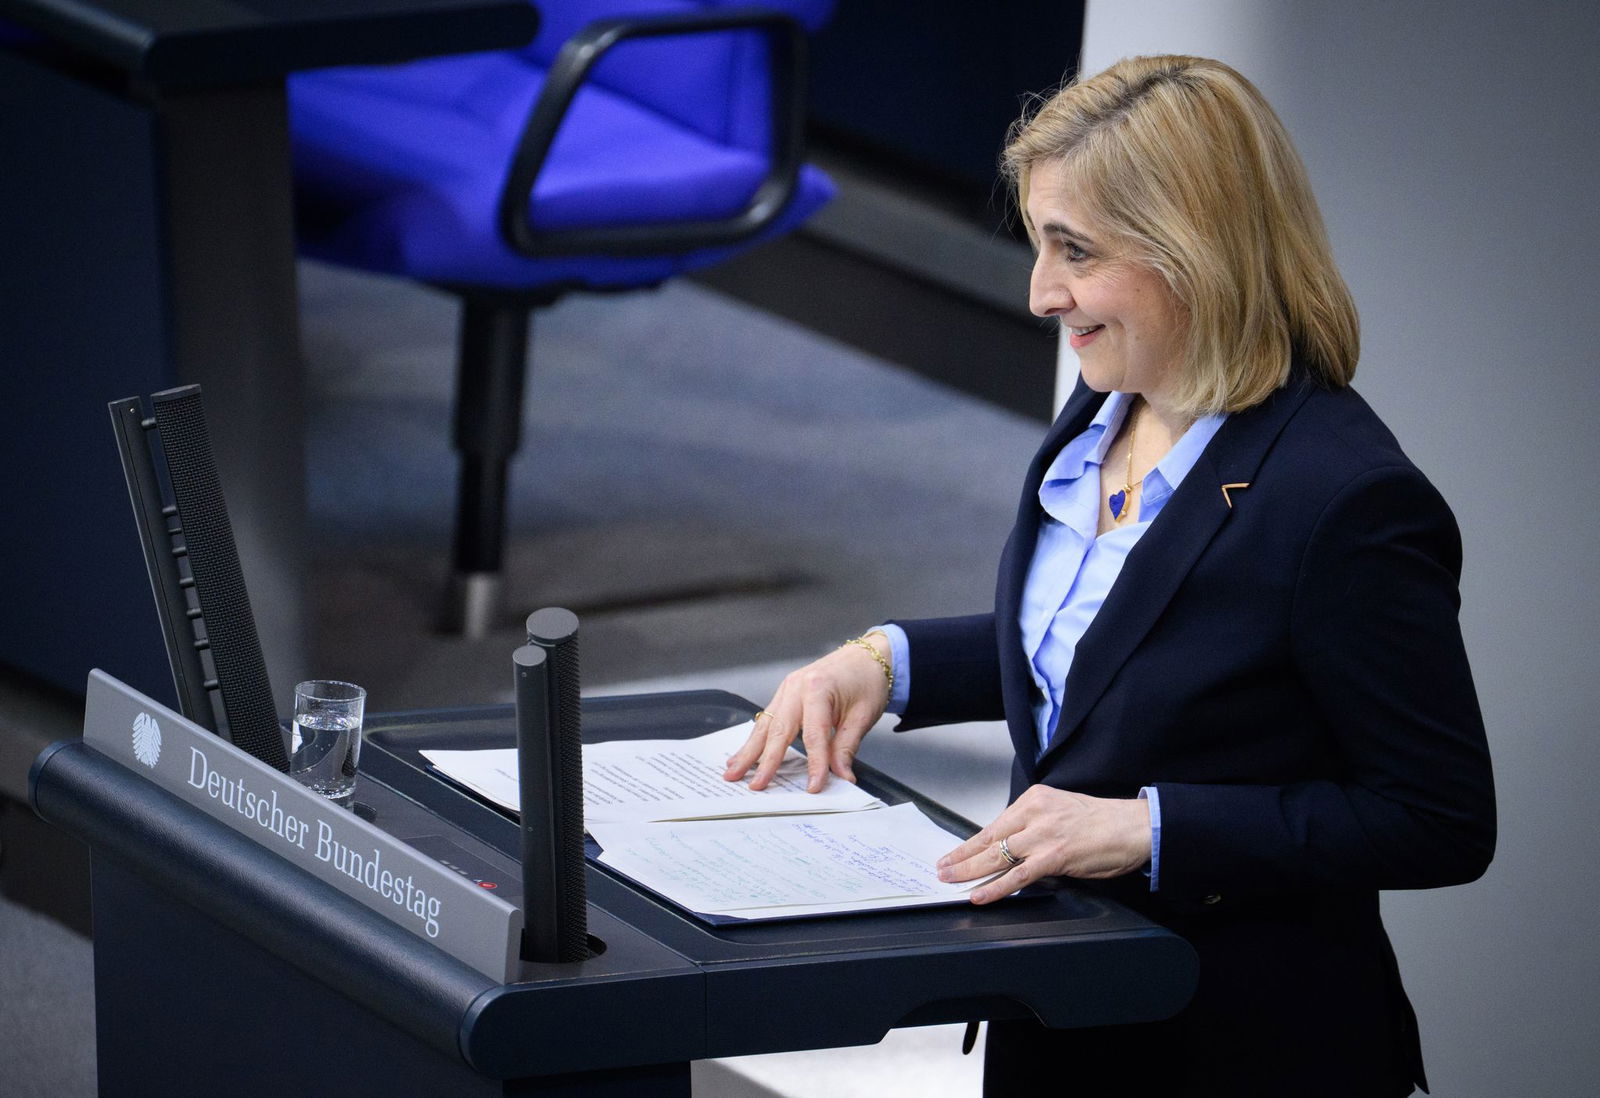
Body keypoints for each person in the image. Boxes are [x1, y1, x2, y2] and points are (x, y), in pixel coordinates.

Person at [723, 54, 1496, 1097]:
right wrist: (888, 663)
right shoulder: (1109, 402)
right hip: (1061, 1009)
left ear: (1195, 250)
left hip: (1237, 1044)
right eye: (1041, 243)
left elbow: (1437, 816)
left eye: (1073, 250)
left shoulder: (1344, 499)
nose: (1042, 293)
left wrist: (1146, 826)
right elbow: (1111, 649)